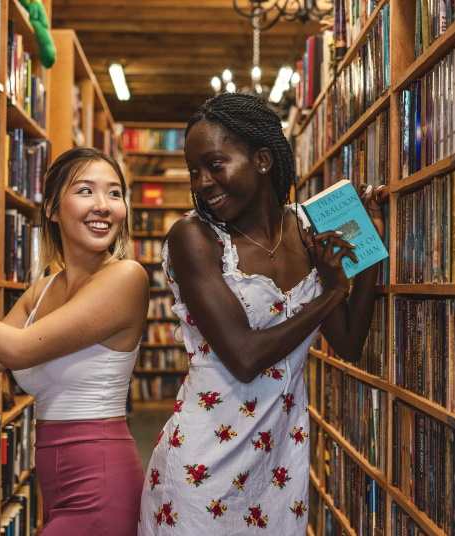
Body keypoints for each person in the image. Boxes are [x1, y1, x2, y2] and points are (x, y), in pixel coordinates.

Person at [138, 93, 385, 535]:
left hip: (278, 468)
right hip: (203, 466)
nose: (203, 182)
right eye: (194, 171)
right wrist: (331, 293)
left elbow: (348, 344)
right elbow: (246, 357)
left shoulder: (308, 230)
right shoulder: (193, 238)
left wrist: (370, 251)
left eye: (215, 164)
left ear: (263, 160)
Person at [0, 147, 149, 535]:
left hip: (101, 479)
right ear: (53, 209)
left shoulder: (126, 277)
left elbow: (16, 349)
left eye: (115, 193)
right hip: (55, 483)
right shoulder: (41, 290)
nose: (104, 206)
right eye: (86, 191)